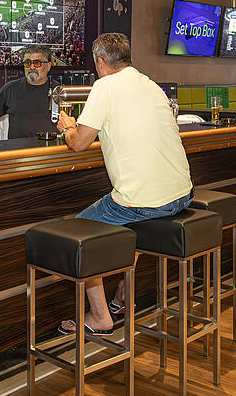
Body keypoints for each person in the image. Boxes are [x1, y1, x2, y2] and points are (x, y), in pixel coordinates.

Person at [55, 33, 193, 335]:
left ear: (101, 63)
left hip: (144, 202)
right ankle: (121, 298)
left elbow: (78, 144)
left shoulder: (105, 86)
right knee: (134, 229)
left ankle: (100, 317)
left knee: (79, 233)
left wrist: (68, 127)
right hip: (182, 195)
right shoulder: (151, 85)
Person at [0, 45, 56, 140]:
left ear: (48, 66)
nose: (31, 67)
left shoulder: (60, 91)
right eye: (27, 63)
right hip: (18, 151)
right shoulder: (11, 89)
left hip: (52, 150)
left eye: (37, 63)